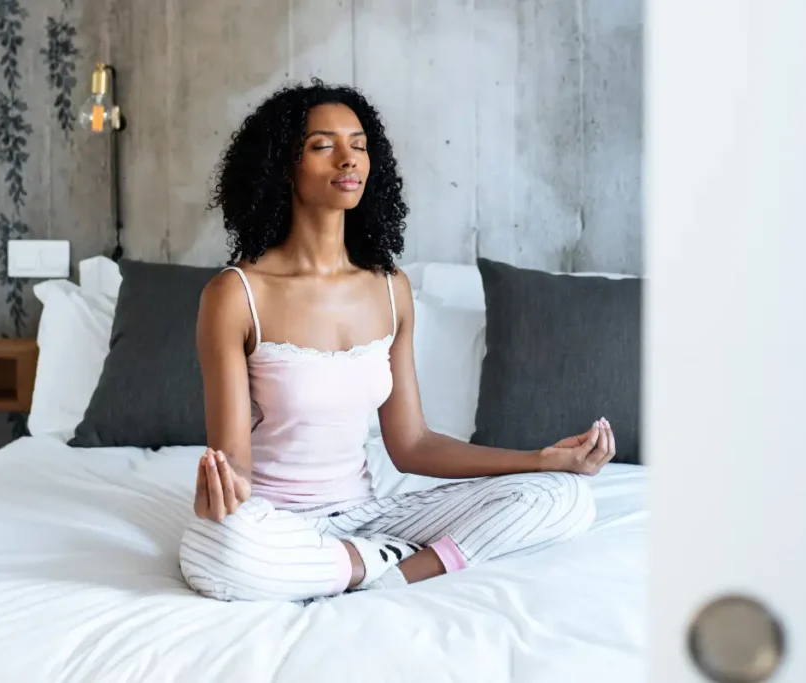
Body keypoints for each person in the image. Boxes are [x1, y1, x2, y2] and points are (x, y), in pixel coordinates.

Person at [178, 79, 616, 603]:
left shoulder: (390, 288)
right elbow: (236, 463)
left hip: (370, 517)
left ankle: (399, 569)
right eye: (323, 146)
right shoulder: (235, 295)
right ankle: (374, 562)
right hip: (278, 522)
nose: (348, 159)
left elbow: (411, 445)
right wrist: (225, 498)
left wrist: (544, 459)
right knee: (216, 548)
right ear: (282, 166)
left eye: (359, 145)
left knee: (566, 498)